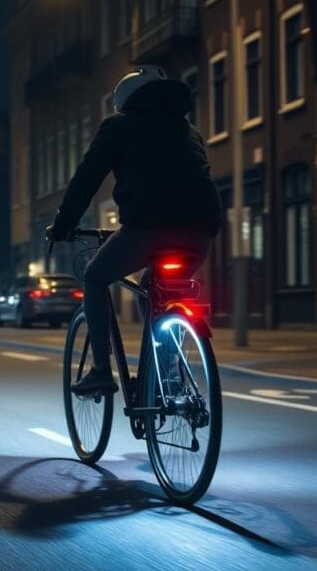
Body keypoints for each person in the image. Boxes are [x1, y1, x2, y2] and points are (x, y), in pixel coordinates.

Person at [46, 65, 222, 395]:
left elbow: (86, 179)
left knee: (95, 277)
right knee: (158, 288)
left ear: (124, 101)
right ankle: (167, 375)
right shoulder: (189, 131)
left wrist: (63, 225)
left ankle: (101, 371)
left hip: (146, 229)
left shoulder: (119, 126)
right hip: (200, 232)